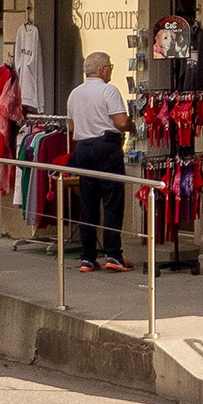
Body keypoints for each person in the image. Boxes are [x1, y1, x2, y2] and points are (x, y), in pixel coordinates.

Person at [67, 50, 131, 272]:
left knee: (88, 203)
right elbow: (121, 122)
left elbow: (71, 126)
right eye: (110, 67)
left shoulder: (75, 93)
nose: (111, 71)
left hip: (83, 148)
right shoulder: (108, 90)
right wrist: (132, 126)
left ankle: (87, 257)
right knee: (112, 201)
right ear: (103, 70)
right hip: (106, 146)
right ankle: (113, 254)